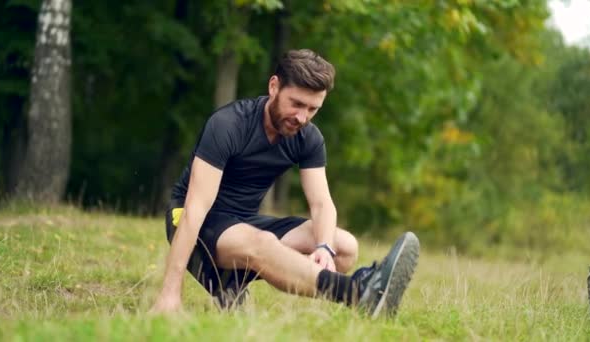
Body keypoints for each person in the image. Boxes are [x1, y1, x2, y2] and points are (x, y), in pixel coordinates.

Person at [151, 49, 419, 318]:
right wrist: (170, 294)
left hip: (245, 224)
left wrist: (324, 247)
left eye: (312, 109)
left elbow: (321, 204)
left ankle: (230, 282)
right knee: (263, 243)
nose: (302, 117)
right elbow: (195, 209)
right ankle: (360, 293)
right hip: (193, 221)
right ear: (274, 86)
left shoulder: (308, 138)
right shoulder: (228, 125)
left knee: (345, 247)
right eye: (297, 104)